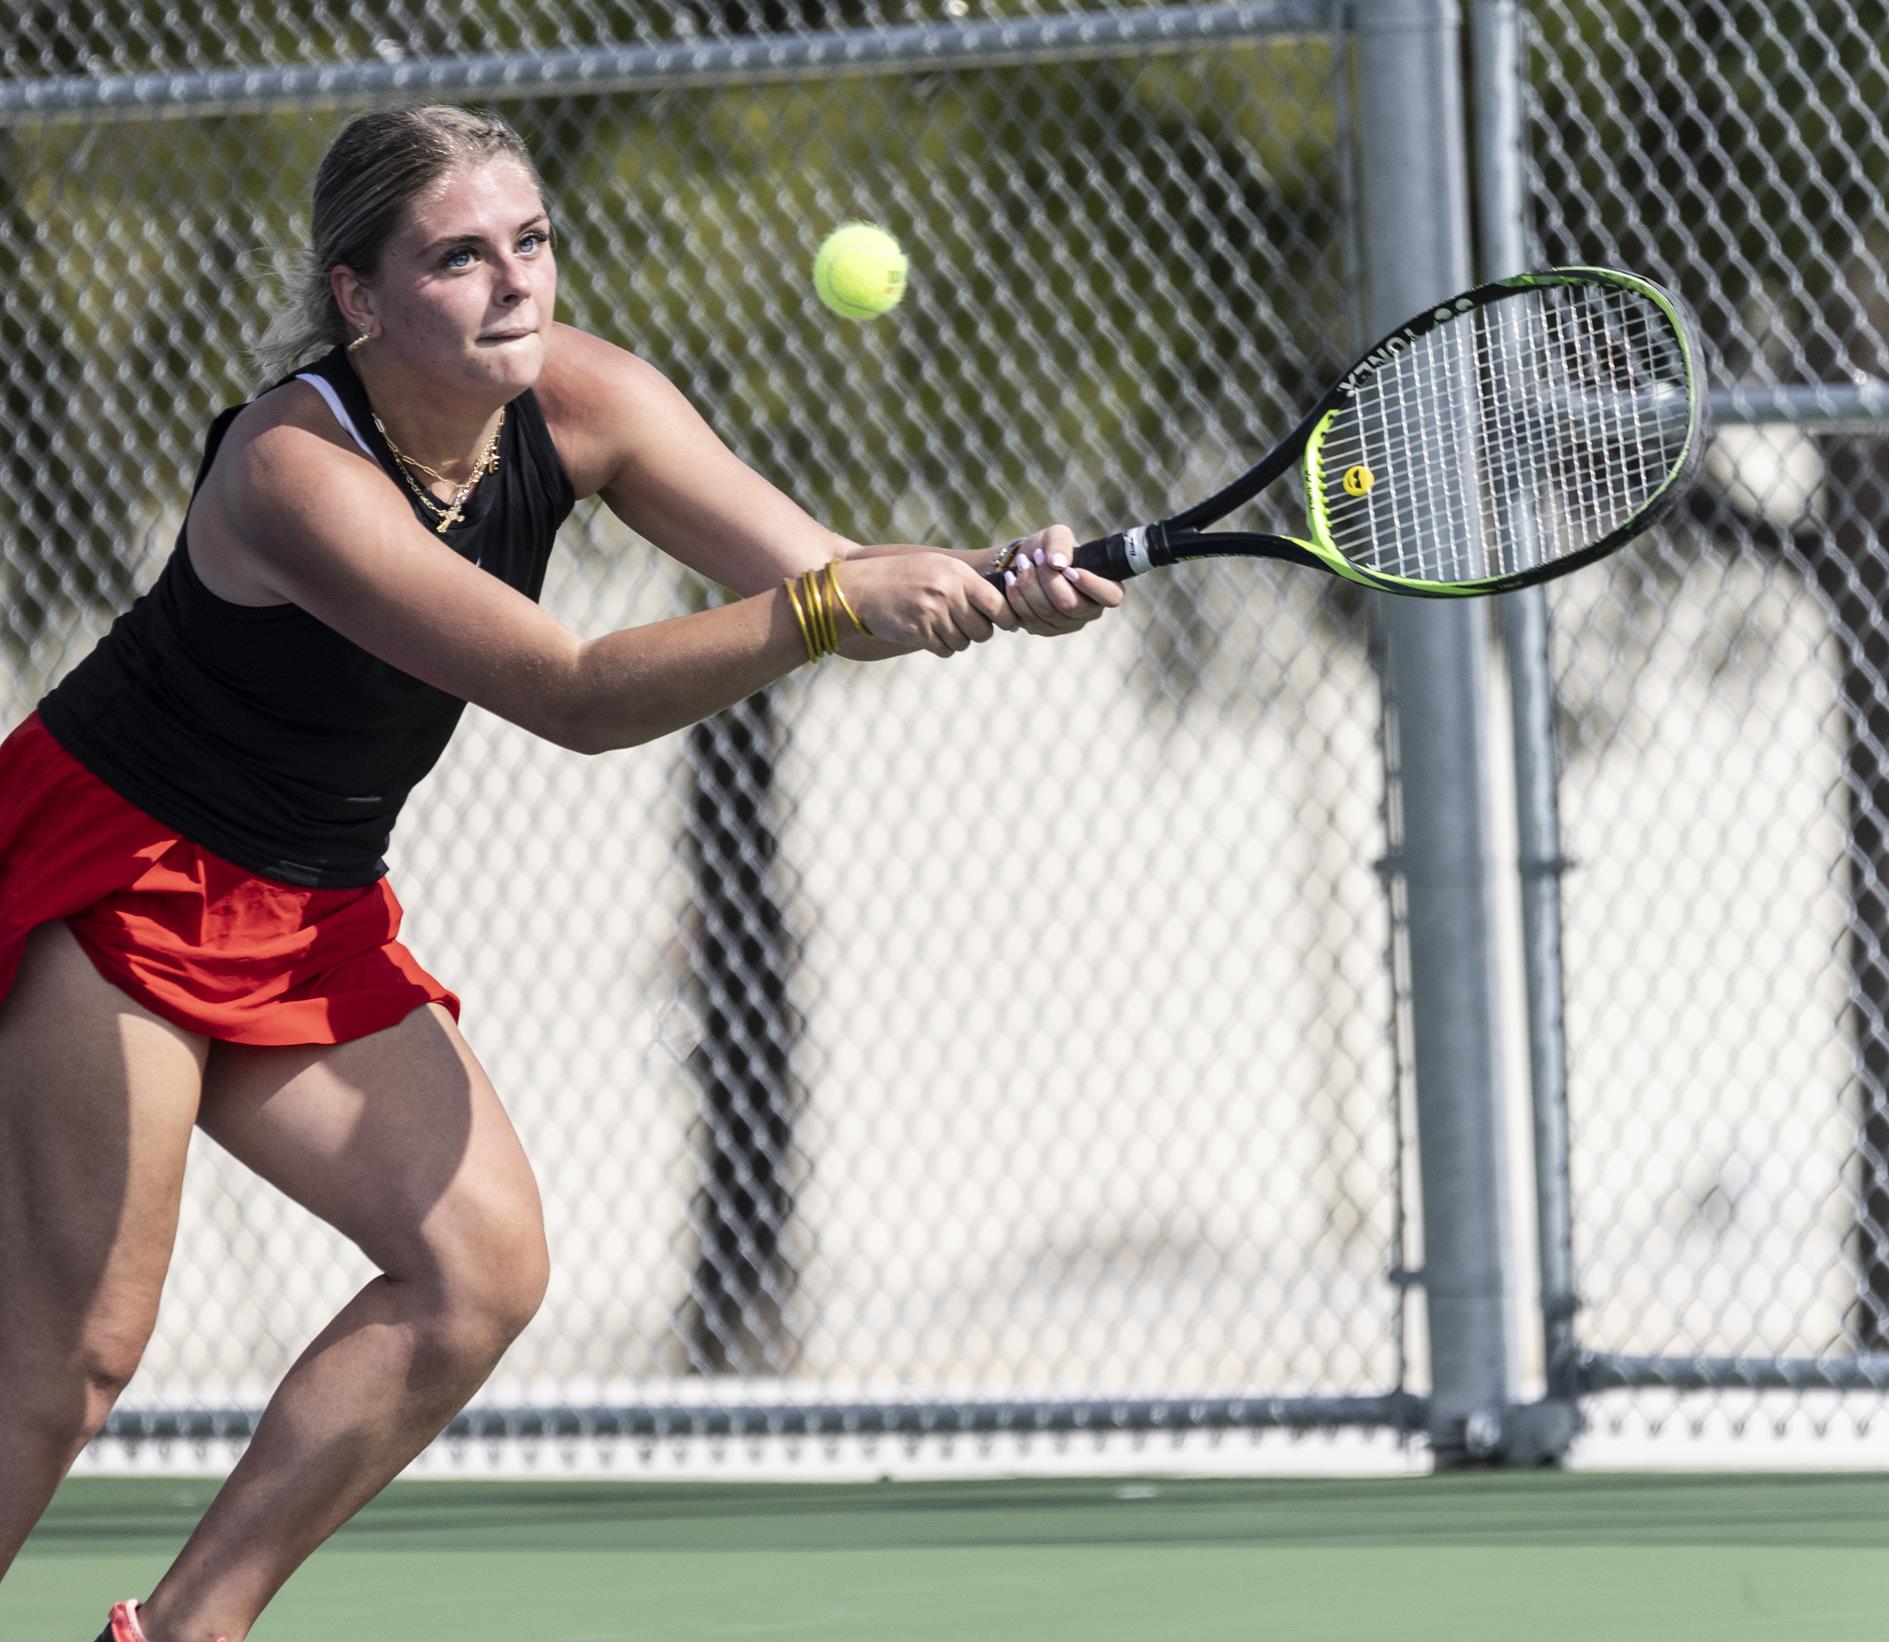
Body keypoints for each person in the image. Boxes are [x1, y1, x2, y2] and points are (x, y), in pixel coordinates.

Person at [0, 104, 1120, 1642]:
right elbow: (577, 689)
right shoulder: (291, 467)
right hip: (121, 868)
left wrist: (998, 585)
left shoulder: (585, 398)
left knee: (476, 1267)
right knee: (78, 1347)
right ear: (360, 298)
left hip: (312, 898)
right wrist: (832, 602)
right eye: (457, 257)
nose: (514, 281)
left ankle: (187, 1629)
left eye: (528, 241)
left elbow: (816, 571)